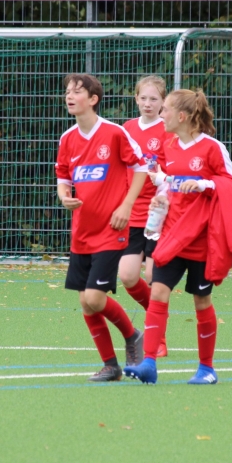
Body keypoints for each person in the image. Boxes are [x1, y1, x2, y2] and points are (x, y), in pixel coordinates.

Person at [123, 89, 232, 385]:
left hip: (202, 238)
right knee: (158, 292)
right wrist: (162, 196)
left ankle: (206, 368)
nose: (160, 114)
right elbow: (168, 182)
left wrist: (202, 184)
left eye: (165, 109)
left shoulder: (212, 148)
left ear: (182, 116)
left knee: (201, 300)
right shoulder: (169, 146)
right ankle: (149, 363)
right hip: (173, 233)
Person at [55, 73, 148, 382]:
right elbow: (63, 176)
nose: (69, 96)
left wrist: (126, 206)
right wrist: (64, 196)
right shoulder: (67, 138)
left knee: (95, 298)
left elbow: (141, 167)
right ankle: (110, 365)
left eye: (76, 92)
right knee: (85, 302)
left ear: (93, 99)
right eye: (68, 92)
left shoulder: (114, 133)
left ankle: (132, 335)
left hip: (111, 230)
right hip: (82, 232)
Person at [120, 75, 169, 357]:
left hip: (158, 214)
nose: (148, 103)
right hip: (132, 213)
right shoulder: (126, 129)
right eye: (143, 98)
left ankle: (157, 335)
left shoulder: (168, 130)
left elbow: (174, 169)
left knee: (153, 275)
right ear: (136, 99)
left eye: (154, 99)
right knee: (127, 276)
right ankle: (157, 314)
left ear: (163, 102)